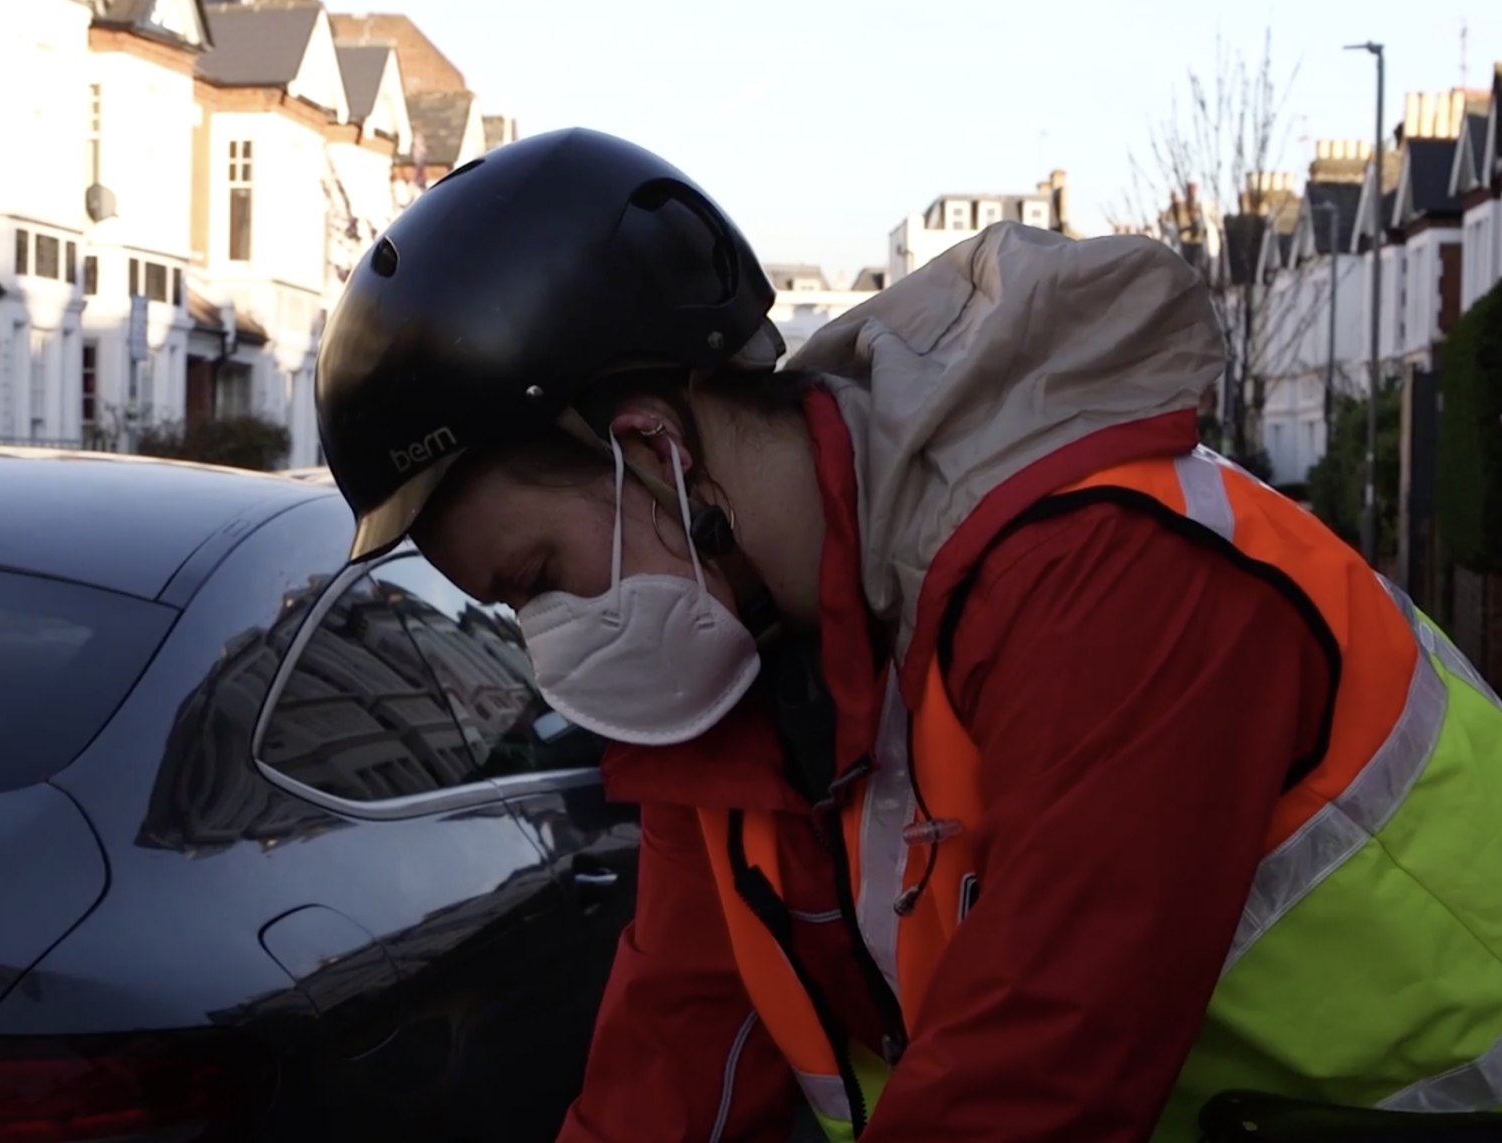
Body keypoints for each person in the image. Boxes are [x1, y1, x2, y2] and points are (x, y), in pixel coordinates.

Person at [314, 128, 1502, 1143]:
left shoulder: (1106, 577)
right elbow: (672, 1060)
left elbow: (1033, 1079)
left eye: (538, 578)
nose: (550, 640)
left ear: (652, 449)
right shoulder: (732, 687)